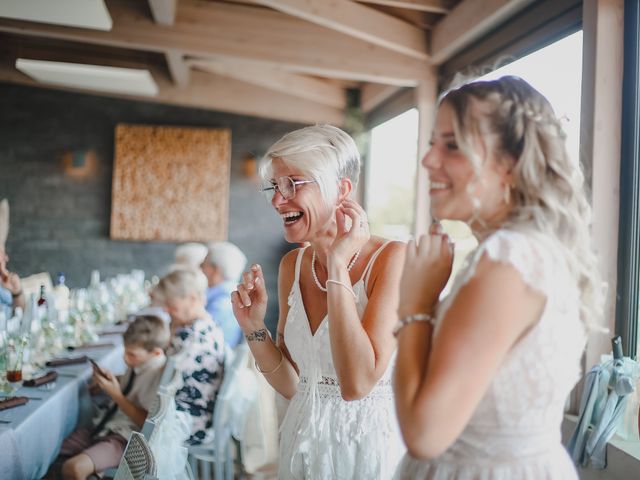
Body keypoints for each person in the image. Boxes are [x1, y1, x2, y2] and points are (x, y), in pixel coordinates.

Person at [392, 76, 602, 479]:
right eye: (433, 142)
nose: (428, 160)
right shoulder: (525, 252)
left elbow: (424, 433)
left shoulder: (511, 259)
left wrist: (414, 304)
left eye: (451, 145)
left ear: (508, 165)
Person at [232, 125, 406, 479]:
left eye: (292, 184)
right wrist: (253, 328)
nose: (277, 200)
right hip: (301, 447)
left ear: (341, 190)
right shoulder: (292, 266)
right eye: (275, 187)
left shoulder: (393, 260)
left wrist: (338, 265)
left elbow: (357, 384)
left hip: (363, 452)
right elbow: (294, 385)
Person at [59, 315, 169, 479]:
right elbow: (132, 386)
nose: (125, 358)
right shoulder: (140, 363)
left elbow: (148, 423)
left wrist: (116, 395)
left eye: (132, 354)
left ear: (156, 352)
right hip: (105, 427)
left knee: (73, 468)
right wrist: (113, 381)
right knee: (52, 453)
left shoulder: (158, 376)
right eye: (125, 351)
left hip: (127, 440)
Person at [155, 268, 225, 445]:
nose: (166, 309)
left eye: (171, 304)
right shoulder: (208, 324)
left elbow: (160, 381)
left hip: (187, 422)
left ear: (192, 298)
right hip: (199, 413)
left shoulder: (191, 337)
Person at [201, 241, 247, 347]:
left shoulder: (224, 301)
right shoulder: (228, 293)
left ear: (215, 270)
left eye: (203, 264)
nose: (201, 269)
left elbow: (200, 333)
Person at [0, 199, 24, 311]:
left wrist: (17, 293)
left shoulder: (5, 284)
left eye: (3, 254)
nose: (6, 258)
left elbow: (21, 314)